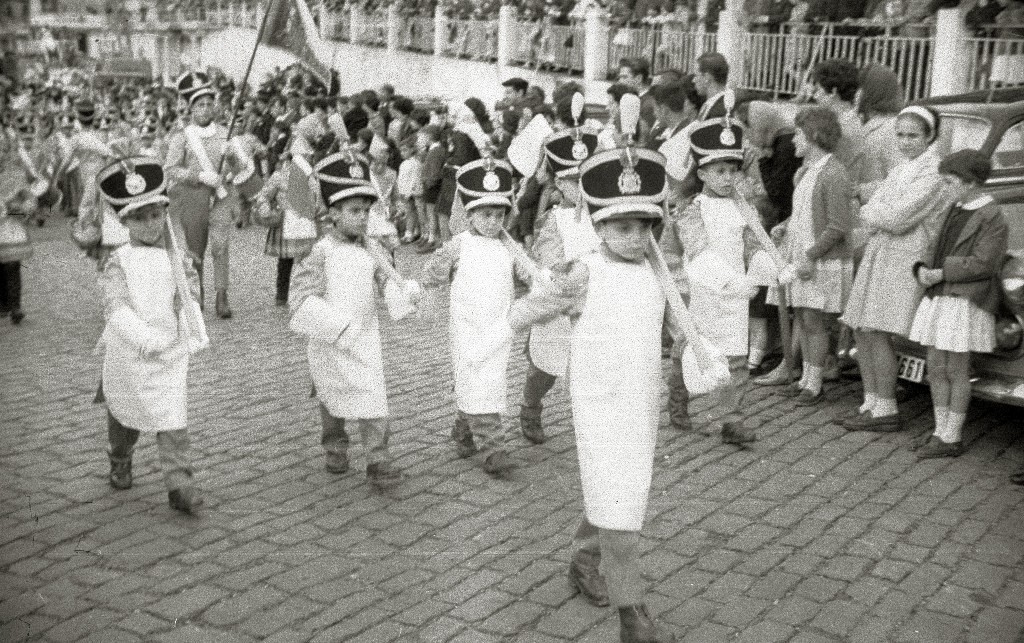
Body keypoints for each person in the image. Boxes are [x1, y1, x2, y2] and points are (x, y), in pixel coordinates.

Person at [509, 116, 678, 643]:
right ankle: (633, 615)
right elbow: (530, 309)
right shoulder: (584, 271)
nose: (635, 238)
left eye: (644, 227)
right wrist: (498, 324)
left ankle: (583, 559)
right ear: (599, 227)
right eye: (622, 228)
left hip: (640, 401)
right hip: (599, 401)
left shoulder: (658, 273)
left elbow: (677, 326)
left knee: (619, 493)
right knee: (620, 504)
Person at [288, 149, 418, 489]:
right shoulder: (320, 251)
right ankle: (335, 446)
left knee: (373, 395)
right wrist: (334, 326)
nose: (362, 218)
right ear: (334, 214)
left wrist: (403, 294)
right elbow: (300, 300)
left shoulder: (373, 249)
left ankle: (378, 458)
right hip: (331, 339)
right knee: (332, 396)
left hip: (366, 337)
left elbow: (385, 281)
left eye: (366, 211)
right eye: (354, 211)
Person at [97, 157, 208, 514]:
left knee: (172, 416)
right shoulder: (118, 261)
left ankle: (180, 484)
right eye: (139, 218)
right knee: (125, 414)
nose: (149, 224)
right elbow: (115, 306)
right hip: (131, 350)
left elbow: (189, 295)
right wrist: (144, 339)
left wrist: (188, 318)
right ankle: (120, 456)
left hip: (169, 350)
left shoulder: (179, 258)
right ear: (124, 221)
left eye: (156, 215)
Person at [841, 106, 953, 432]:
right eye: (900, 135)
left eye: (913, 135)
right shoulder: (903, 168)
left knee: (878, 330)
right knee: (862, 328)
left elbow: (897, 218)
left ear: (930, 136)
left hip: (904, 257)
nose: (905, 142)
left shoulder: (933, 173)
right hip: (881, 251)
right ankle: (871, 402)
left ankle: (886, 407)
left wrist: (870, 210)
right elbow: (881, 207)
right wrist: (877, 209)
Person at [421, 157, 534, 477]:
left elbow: (530, 274)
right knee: (478, 380)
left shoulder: (509, 247)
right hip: (468, 327)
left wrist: (542, 282)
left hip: (498, 326)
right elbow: (433, 271)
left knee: (487, 381)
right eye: (485, 215)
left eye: (499, 215)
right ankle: (493, 449)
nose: (493, 222)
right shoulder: (459, 245)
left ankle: (463, 428)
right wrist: (424, 292)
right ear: (469, 214)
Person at [676, 118, 773, 444]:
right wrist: (730, 282)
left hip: (736, 292)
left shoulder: (743, 208)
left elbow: (754, 244)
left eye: (733, 170)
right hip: (704, 287)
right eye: (719, 171)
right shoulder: (692, 208)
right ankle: (678, 401)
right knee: (692, 350)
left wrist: (766, 269)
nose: (728, 178)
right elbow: (697, 250)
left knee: (735, 356)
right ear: (702, 173)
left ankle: (732, 421)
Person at [908, 151, 1008, 458]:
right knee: (935, 365)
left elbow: (984, 263)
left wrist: (942, 272)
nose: (945, 187)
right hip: (939, 294)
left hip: (963, 299)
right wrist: (922, 268)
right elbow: (934, 244)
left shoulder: (992, 216)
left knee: (956, 368)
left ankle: (952, 435)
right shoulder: (954, 207)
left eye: (950, 182)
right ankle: (940, 430)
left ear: (970, 182)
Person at [518, 93, 601, 445]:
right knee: (547, 366)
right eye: (571, 180)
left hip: (594, 300)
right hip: (561, 299)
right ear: (559, 184)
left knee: (592, 364)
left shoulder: (604, 216)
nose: (580, 187)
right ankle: (530, 404)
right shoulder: (556, 219)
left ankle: (594, 419)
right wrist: (565, 274)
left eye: (586, 178)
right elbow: (549, 257)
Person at [769, 107, 857, 405]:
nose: (794, 140)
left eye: (798, 134)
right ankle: (806, 377)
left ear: (813, 136)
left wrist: (811, 254)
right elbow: (804, 214)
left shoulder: (834, 173)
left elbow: (839, 225)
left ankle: (815, 382)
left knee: (814, 321)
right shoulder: (808, 171)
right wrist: (784, 225)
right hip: (804, 254)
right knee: (804, 318)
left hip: (822, 258)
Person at [164, 71, 243, 319]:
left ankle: (222, 295)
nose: (206, 109)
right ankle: (197, 294)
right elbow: (171, 169)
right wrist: (198, 176)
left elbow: (240, 169)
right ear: (191, 109)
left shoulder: (226, 133)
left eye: (209, 104)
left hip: (221, 196)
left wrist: (232, 156)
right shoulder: (182, 137)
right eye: (200, 105)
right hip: (193, 197)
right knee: (195, 249)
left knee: (220, 246)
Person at [253, 150, 318, 306]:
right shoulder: (279, 177)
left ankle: (306, 293)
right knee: (285, 262)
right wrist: (264, 207)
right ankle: (282, 294)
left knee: (307, 261)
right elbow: (263, 195)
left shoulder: (312, 177)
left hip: (305, 222)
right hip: (286, 223)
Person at [856, 64, 905, 203]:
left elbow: (900, 182)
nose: (855, 94)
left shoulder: (892, 129)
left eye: (859, 88)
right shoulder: (866, 123)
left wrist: (859, 191)